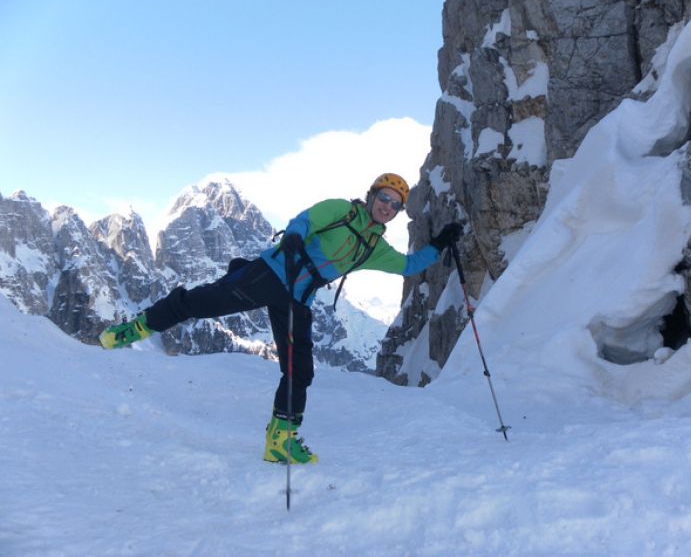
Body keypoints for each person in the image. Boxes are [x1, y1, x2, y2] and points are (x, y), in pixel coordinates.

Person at [99, 173, 462, 464]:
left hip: (297, 299)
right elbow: (304, 222)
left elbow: (407, 265)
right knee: (199, 303)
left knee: (299, 370)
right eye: (384, 197)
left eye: (396, 205)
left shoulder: (374, 247)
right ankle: (137, 327)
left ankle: (280, 440)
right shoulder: (342, 210)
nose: (388, 206)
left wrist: (440, 244)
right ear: (371, 195)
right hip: (269, 276)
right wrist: (293, 239)